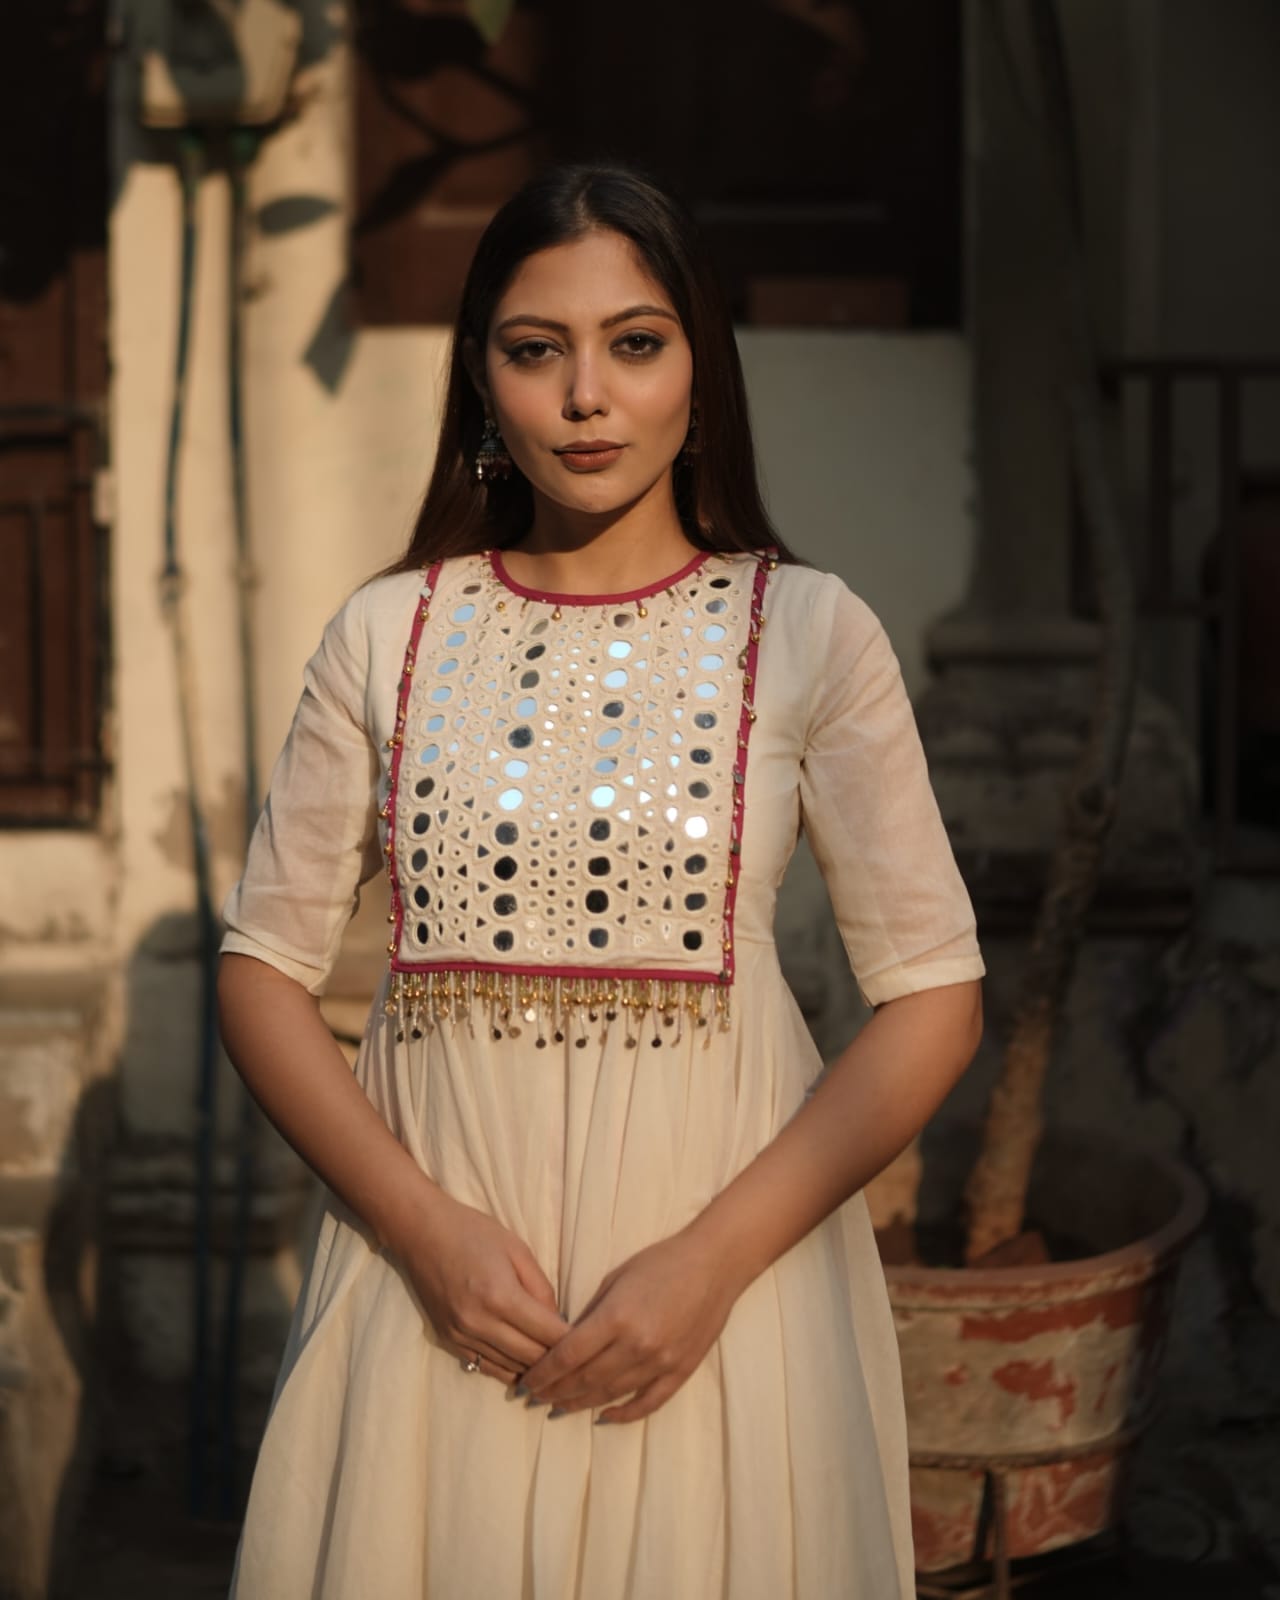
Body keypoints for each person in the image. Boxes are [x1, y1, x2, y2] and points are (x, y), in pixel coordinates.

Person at [217, 162, 985, 1599]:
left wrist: (709, 1267)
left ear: (702, 370)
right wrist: (424, 1232)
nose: (587, 395)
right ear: (481, 384)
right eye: (535, 349)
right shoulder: (388, 634)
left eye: (636, 343)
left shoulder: (810, 631)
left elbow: (934, 997)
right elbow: (263, 968)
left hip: (722, 1301)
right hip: (435, 1297)